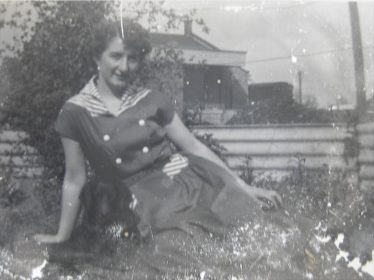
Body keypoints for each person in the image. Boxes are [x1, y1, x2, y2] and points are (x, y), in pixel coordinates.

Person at [34, 18, 291, 278]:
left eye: (132, 58)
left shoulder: (153, 100)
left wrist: (243, 185)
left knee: (249, 226)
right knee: (178, 248)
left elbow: (193, 146)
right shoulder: (75, 111)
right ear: (96, 57)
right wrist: (61, 235)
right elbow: (74, 178)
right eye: (115, 56)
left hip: (184, 182)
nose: (124, 67)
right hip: (135, 200)